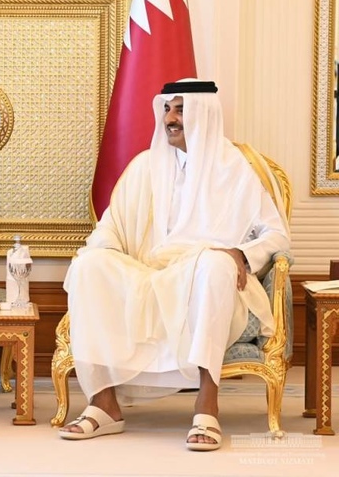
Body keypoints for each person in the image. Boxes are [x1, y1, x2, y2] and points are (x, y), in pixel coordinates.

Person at [59, 80, 290, 451]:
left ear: (203, 113)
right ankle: (104, 405)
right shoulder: (144, 167)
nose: (170, 119)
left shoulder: (236, 170)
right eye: (167, 109)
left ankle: (207, 406)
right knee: (90, 265)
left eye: (181, 110)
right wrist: (104, 255)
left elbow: (277, 235)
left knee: (215, 264)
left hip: (204, 276)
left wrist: (241, 254)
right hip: (148, 273)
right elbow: (110, 229)